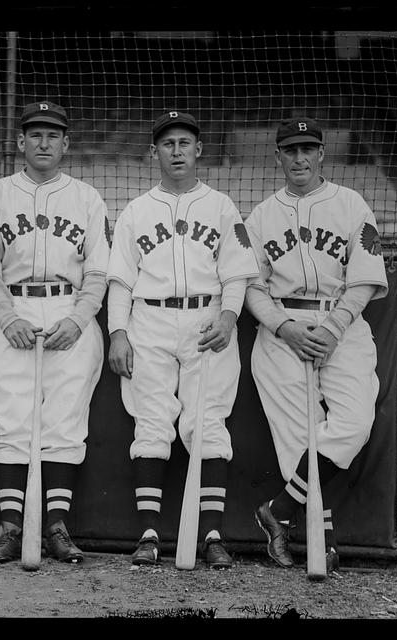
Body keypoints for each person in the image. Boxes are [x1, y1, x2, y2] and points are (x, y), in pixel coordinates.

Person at [106, 111, 259, 568]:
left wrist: (229, 318)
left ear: (199, 151)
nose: (177, 151)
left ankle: (211, 534)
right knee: (151, 423)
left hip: (207, 321)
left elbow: (237, 275)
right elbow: (120, 281)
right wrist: (117, 333)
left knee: (207, 423)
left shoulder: (223, 206)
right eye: (168, 143)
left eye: (184, 143)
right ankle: (149, 534)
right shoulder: (136, 209)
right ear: (154, 152)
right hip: (148, 321)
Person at [0, 101, 110, 565]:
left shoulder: (87, 197)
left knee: (66, 420)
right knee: (11, 419)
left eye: (53, 135)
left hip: (69, 308)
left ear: (66, 143)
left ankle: (56, 528)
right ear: (21, 142)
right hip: (12, 306)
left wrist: (79, 318)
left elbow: (99, 272)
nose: (44, 142)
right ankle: (10, 530)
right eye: (35, 134)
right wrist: (7, 317)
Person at [243, 117, 389, 574]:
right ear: (278, 157)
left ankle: (279, 509)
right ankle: (319, 541)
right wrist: (283, 326)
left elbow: (365, 278)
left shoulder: (351, 204)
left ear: (322, 154)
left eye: (308, 149)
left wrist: (333, 327)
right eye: (291, 150)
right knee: (297, 439)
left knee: (353, 423)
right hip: (282, 328)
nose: (300, 158)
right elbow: (250, 285)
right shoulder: (261, 214)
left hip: (340, 323)